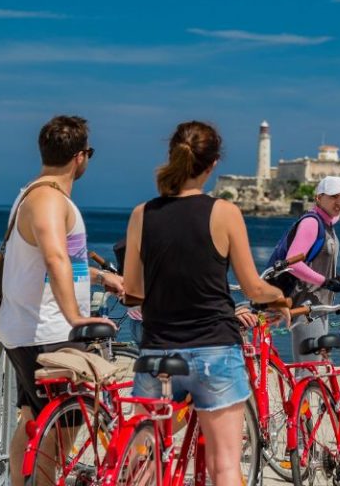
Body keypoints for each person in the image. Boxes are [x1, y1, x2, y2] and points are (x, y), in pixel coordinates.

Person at [123, 121, 287, 486]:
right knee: (224, 466)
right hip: (213, 349)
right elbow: (254, 289)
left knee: (145, 461)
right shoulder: (224, 212)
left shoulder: (141, 214)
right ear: (213, 165)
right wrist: (281, 297)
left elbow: (133, 290)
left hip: (157, 351)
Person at [0, 115, 124, 486]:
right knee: (62, 430)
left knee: (34, 420)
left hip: (26, 328)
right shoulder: (49, 199)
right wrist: (76, 318)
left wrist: (103, 277)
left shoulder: (31, 194)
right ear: (81, 157)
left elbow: (60, 261)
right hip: (50, 331)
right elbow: (55, 258)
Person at [286, 175, 340, 365]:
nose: (339, 203)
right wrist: (325, 282)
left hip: (319, 304)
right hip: (306, 304)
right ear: (318, 198)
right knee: (308, 369)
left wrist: (335, 279)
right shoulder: (312, 223)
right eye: (333, 197)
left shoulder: (328, 224)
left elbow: (315, 263)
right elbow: (292, 263)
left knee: (316, 365)